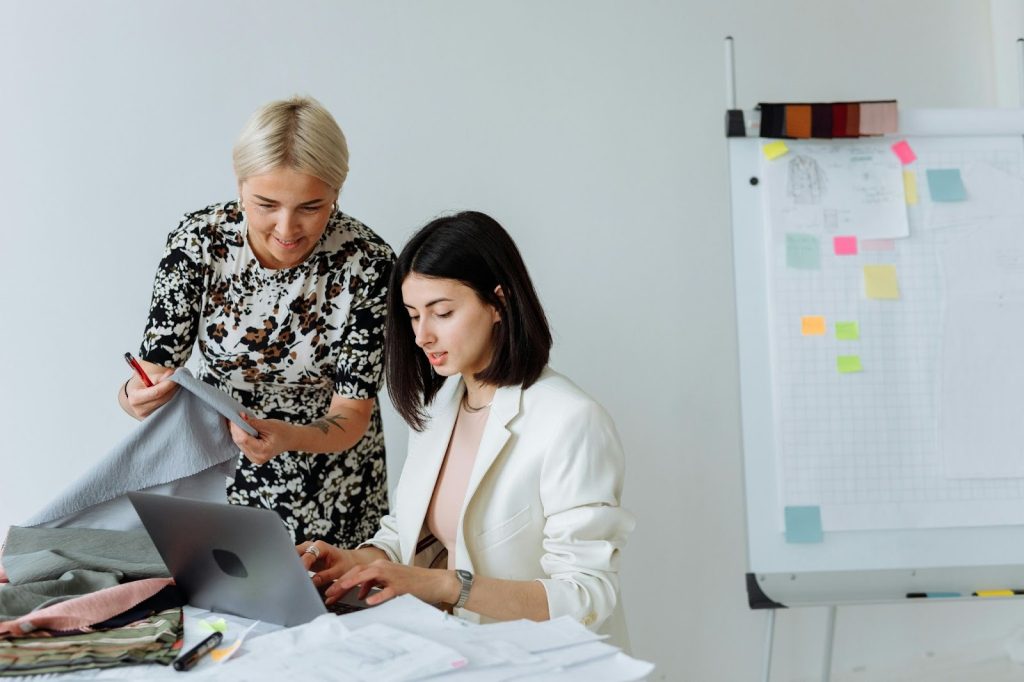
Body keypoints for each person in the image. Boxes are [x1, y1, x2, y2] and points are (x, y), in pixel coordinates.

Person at [297, 211, 634, 647]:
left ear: (499, 302)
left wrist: (446, 586)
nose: (422, 336)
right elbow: (408, 535)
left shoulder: (571, 420)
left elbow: (586, 595)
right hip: (463, 651)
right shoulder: (440, 406)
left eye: (442, 312)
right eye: (413, 315)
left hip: (550, 663)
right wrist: (356, 561)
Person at [118, 96, 393, 548]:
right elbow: (153, 372)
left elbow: (352, 412)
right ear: (240, 185)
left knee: (332, 608)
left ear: (337, 194)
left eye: (311, 207)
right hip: (216, 464)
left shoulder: (368, 264)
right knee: (212, 607)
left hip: (331, 477)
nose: (287, 228)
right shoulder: (198, 243)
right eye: (266, 204)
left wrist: (288, 437)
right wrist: (134, 396)